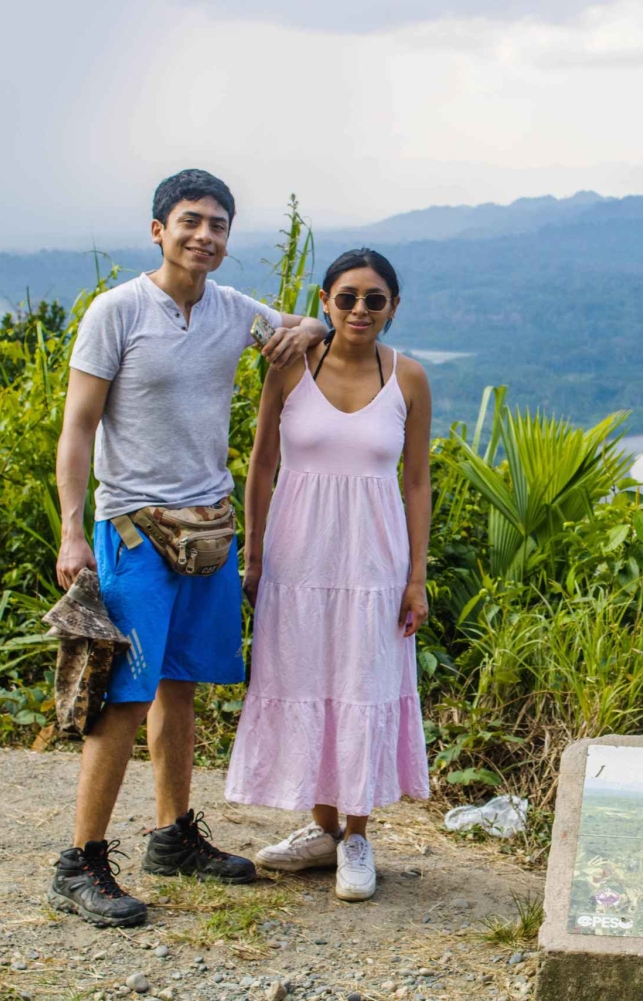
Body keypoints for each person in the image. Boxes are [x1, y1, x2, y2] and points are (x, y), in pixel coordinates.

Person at [50, 169, 330, 927]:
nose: (205, 235)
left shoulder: (233, 310)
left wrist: (315, 328)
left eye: (218, 225)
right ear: (159, 230)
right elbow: (78, 427)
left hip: (208, 530)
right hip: (134, 529)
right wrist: (72, 529)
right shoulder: (117, 311)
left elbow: (309, 325)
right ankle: (80, 862)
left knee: (180, 685)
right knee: (124, 694)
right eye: (190, 221)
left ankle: (173, 835)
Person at [224, 248, 432, 901]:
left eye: (374, 299)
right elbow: (261, 464)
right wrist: (254, 555)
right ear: (325, 301)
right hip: (298, 557)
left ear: (393, 306)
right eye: (347, 297)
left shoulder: (408, 378)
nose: (360, 309)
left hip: (374, 562)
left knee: (362, 683)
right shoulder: (291, 367)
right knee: (306, 675)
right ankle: (321, 828)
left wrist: (416, 576)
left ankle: (357, 835)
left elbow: (417, 482)